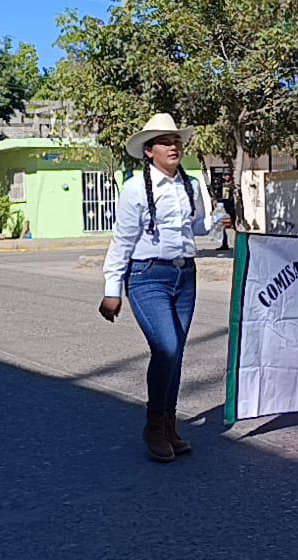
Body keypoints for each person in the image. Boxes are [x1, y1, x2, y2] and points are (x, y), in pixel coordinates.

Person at [98, 113, 229, 463]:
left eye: (176, 141)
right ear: (149, 151)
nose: (173, 146)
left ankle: (170, 424)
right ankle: (154, 425)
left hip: (185, 275)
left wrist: (217, 219)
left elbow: (196, 228)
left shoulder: (192, 184)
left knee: (176, 353)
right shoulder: (135, 189)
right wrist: (112, 289)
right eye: (165, 142)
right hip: (147, 276)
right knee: (167, 348)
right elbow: (123, 240)